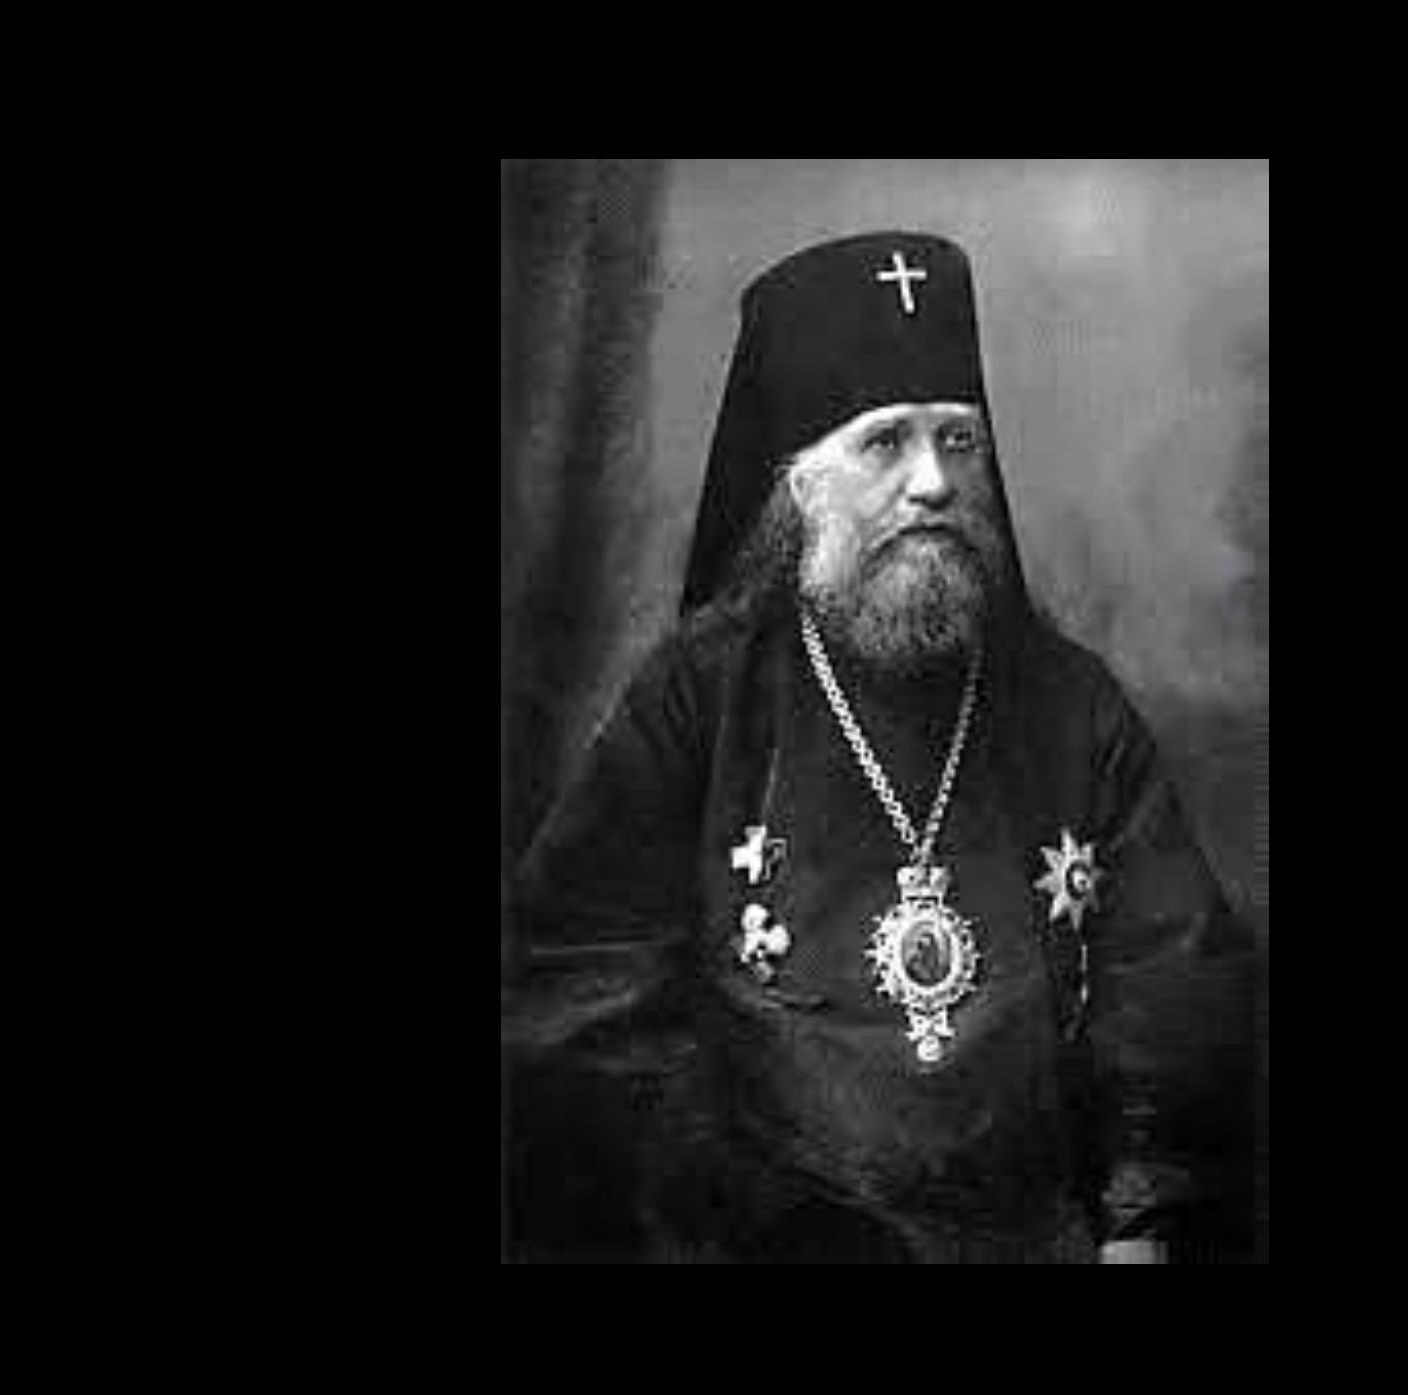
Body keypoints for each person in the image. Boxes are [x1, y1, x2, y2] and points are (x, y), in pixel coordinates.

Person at [503, 230, 1258, 1263]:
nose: (934, 483)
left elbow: (1175, 983)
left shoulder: (1073, 705)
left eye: (958, 440)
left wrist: (1143, 1214)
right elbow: (573, 998)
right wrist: (728, 1207)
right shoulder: (698, 697)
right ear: (799, 484)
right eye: (886, 443)